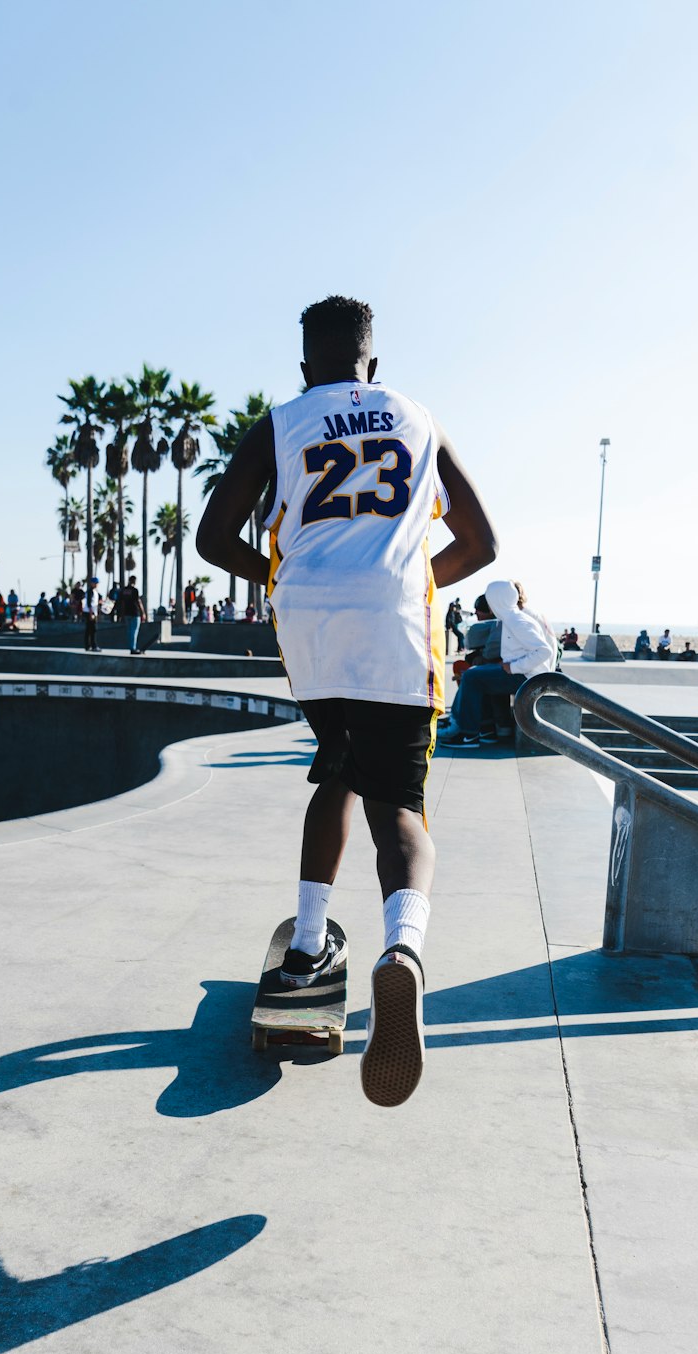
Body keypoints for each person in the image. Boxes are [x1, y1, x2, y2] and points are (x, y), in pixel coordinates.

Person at [196, 293, 496, 1107]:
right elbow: (481, 542)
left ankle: (306, 940)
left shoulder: (284, 420)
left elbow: (211, 537)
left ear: (306, 367)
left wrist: (284, 575)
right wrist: (410, 582)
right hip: (396, 625)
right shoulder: (415, 416)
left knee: (337, 769)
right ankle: (402, 953)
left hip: (313, 629)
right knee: (399, 805)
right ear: (374, 364)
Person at [440, 580, 557, 745]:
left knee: (472, 677)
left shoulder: (518, 621)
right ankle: (486, 731)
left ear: (497, 600)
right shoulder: (512, 618)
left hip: (529, 678)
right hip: (526, 674)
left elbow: (544, 651)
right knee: (477, 674)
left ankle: (468, 734)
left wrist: (512, 667)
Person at [112, 573, 146, 653]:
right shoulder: (135, 590)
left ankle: (131, 646)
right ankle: (133, 648)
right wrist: (143, 613)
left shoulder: (123, 590)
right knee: (134, 631)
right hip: (135, 612)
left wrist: (121, 614)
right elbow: (138, 602)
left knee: (129, 631)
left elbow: (122, 603)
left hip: (126, 613)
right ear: (135, 581)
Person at [84, 577, 102, 652]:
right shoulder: (90, 591)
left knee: (89, 630)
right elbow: (89, 603)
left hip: (92, 612)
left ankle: (88, 646)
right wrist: (91, 613)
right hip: (90, 612)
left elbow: (96, 601)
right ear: (92, 583)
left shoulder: (95, 591)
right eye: (95, 583)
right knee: (92, 629)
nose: (97, 585)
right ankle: (93, 645)